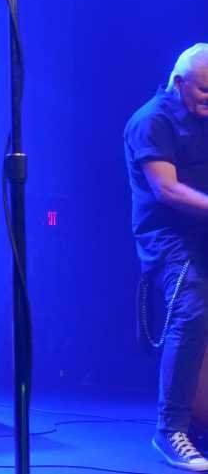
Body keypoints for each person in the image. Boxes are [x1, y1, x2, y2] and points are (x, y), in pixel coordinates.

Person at [124, 43, 208, 471]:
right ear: (179, 83)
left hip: (203, 232)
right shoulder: (151, 120)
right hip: (169, 239)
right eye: (205, 90)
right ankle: (170, 429)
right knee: (191, 310)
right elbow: (167, 190)